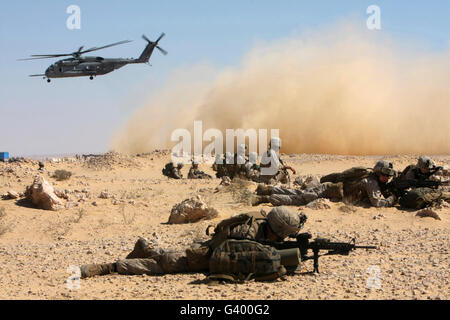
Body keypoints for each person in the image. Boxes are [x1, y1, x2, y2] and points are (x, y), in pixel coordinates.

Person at [80, 207, 307, 278]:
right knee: (161, 265)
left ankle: (147, 247)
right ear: (277, 228)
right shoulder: (248, 233)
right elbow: (241, 259)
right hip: (199, 259)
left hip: (204, 250)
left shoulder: (259, 223)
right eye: (285, 234)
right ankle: (109, 267)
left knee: (165, 256)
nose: (285, 238)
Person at [251, 181, 344, 206]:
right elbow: (309, 196)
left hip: (307, 193)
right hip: (307, 197)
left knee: (290, 191)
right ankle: (264, 198)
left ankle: (268, 190)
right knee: (289, 199)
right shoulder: (320, 193)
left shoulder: (327, 184)